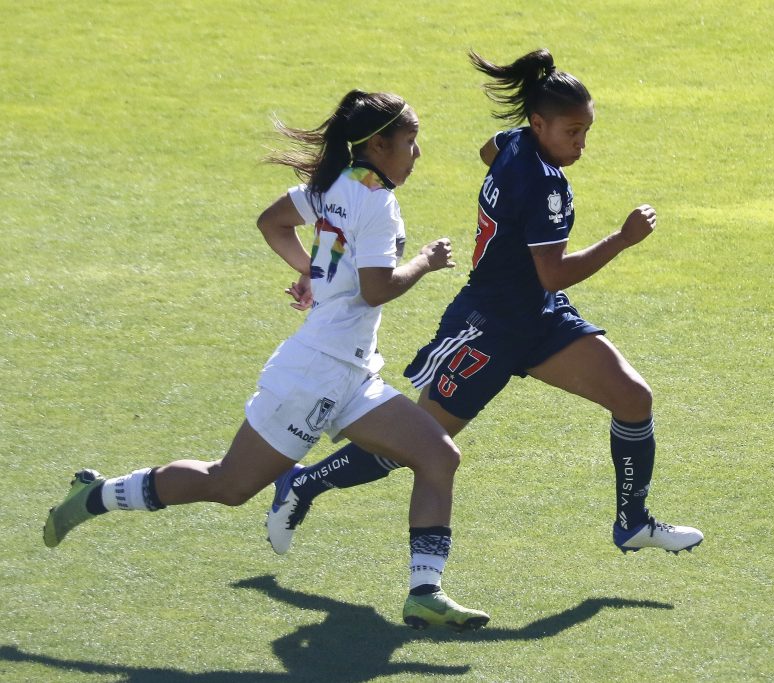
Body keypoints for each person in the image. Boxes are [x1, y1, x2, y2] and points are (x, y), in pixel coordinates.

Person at [42, 89, 489, 632]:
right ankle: (96, 496)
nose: (417, 154)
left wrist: (314, 273)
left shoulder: (332, 185)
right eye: (411, 142)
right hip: (312, 372)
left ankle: (425, 593)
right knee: (228, 486)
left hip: (350, 372)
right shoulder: (376, 200)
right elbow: (376, 289)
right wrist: (425, 261)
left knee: (438, 456)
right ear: (379, 144)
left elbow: (273, 222)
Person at [266, 49, 704, 559]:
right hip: (488, 326)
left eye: (586, 130)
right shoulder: (544, 186)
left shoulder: (515, 142)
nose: (581, 143)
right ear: (539, 124)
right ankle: (302, 484)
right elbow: (556, 272)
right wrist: (622, 238)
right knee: (416, 446)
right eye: (572, 132)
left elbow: (487, 150)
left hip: (539, 316)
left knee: (632, 397)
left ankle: (633, 522)